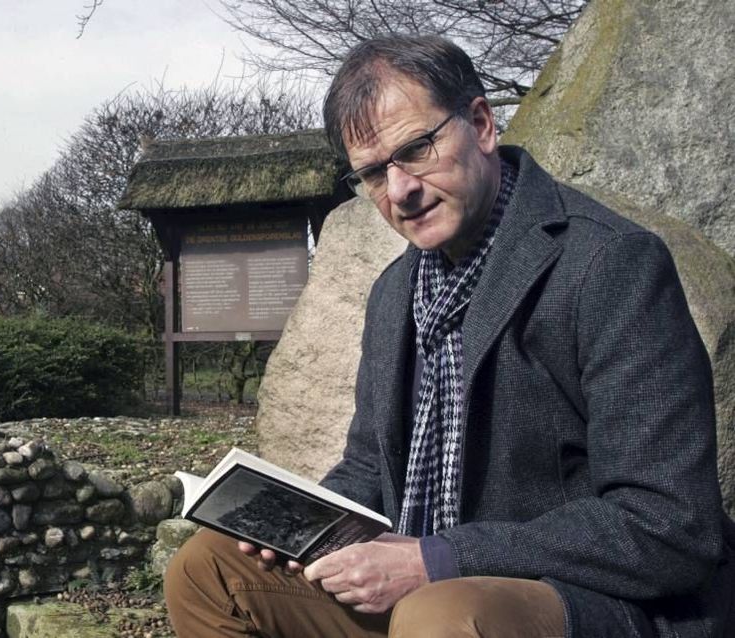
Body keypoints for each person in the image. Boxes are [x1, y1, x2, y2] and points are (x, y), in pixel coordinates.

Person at [164, 33, 735, 637]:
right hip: (424, 577)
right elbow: (368, 466)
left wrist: (439, 560)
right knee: (207, 570)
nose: (401, 190)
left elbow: (669, 525)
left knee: (439, 616)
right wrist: (295, 525)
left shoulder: (609, 264)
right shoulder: (396, 293)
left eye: (416, 149)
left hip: (578, 598)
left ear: (483, 125)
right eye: (374, 175)